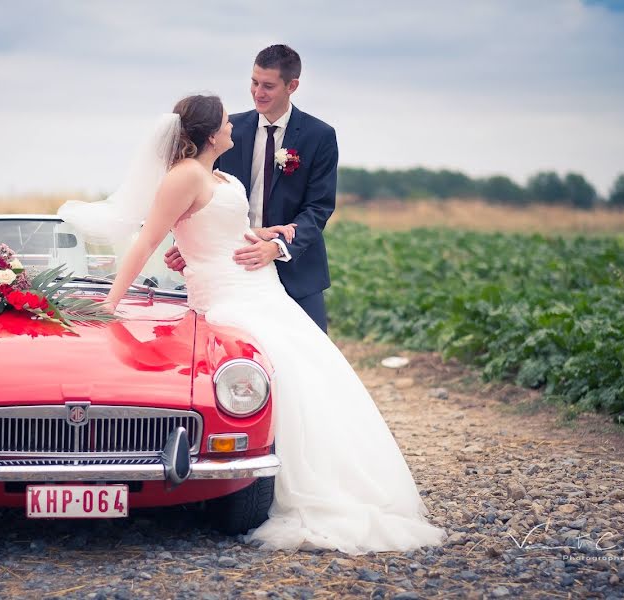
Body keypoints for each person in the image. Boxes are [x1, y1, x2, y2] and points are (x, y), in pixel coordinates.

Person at [59, 94, 447, 555]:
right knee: (275, 374)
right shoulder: (184, 177)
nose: (233, 128)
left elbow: (216, 229)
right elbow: (146, 242)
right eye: (225, 123)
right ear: (209, 136)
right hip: (226, 296)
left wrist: (266, 237)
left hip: (259, 288)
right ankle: (277, 478)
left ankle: (328, 480)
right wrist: (111, 302)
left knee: (304, 371)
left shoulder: (218, 176)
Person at [164, 45, 336, 332]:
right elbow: (195, 193)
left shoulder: (320, 136)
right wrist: (190, 243)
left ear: (291, 86)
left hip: (298, 271)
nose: (258, 92)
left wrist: (278, 247)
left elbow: (319, 207)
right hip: (233, 271)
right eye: (254, 82)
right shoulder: (227, 132)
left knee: (306, 354)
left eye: (268, 86)